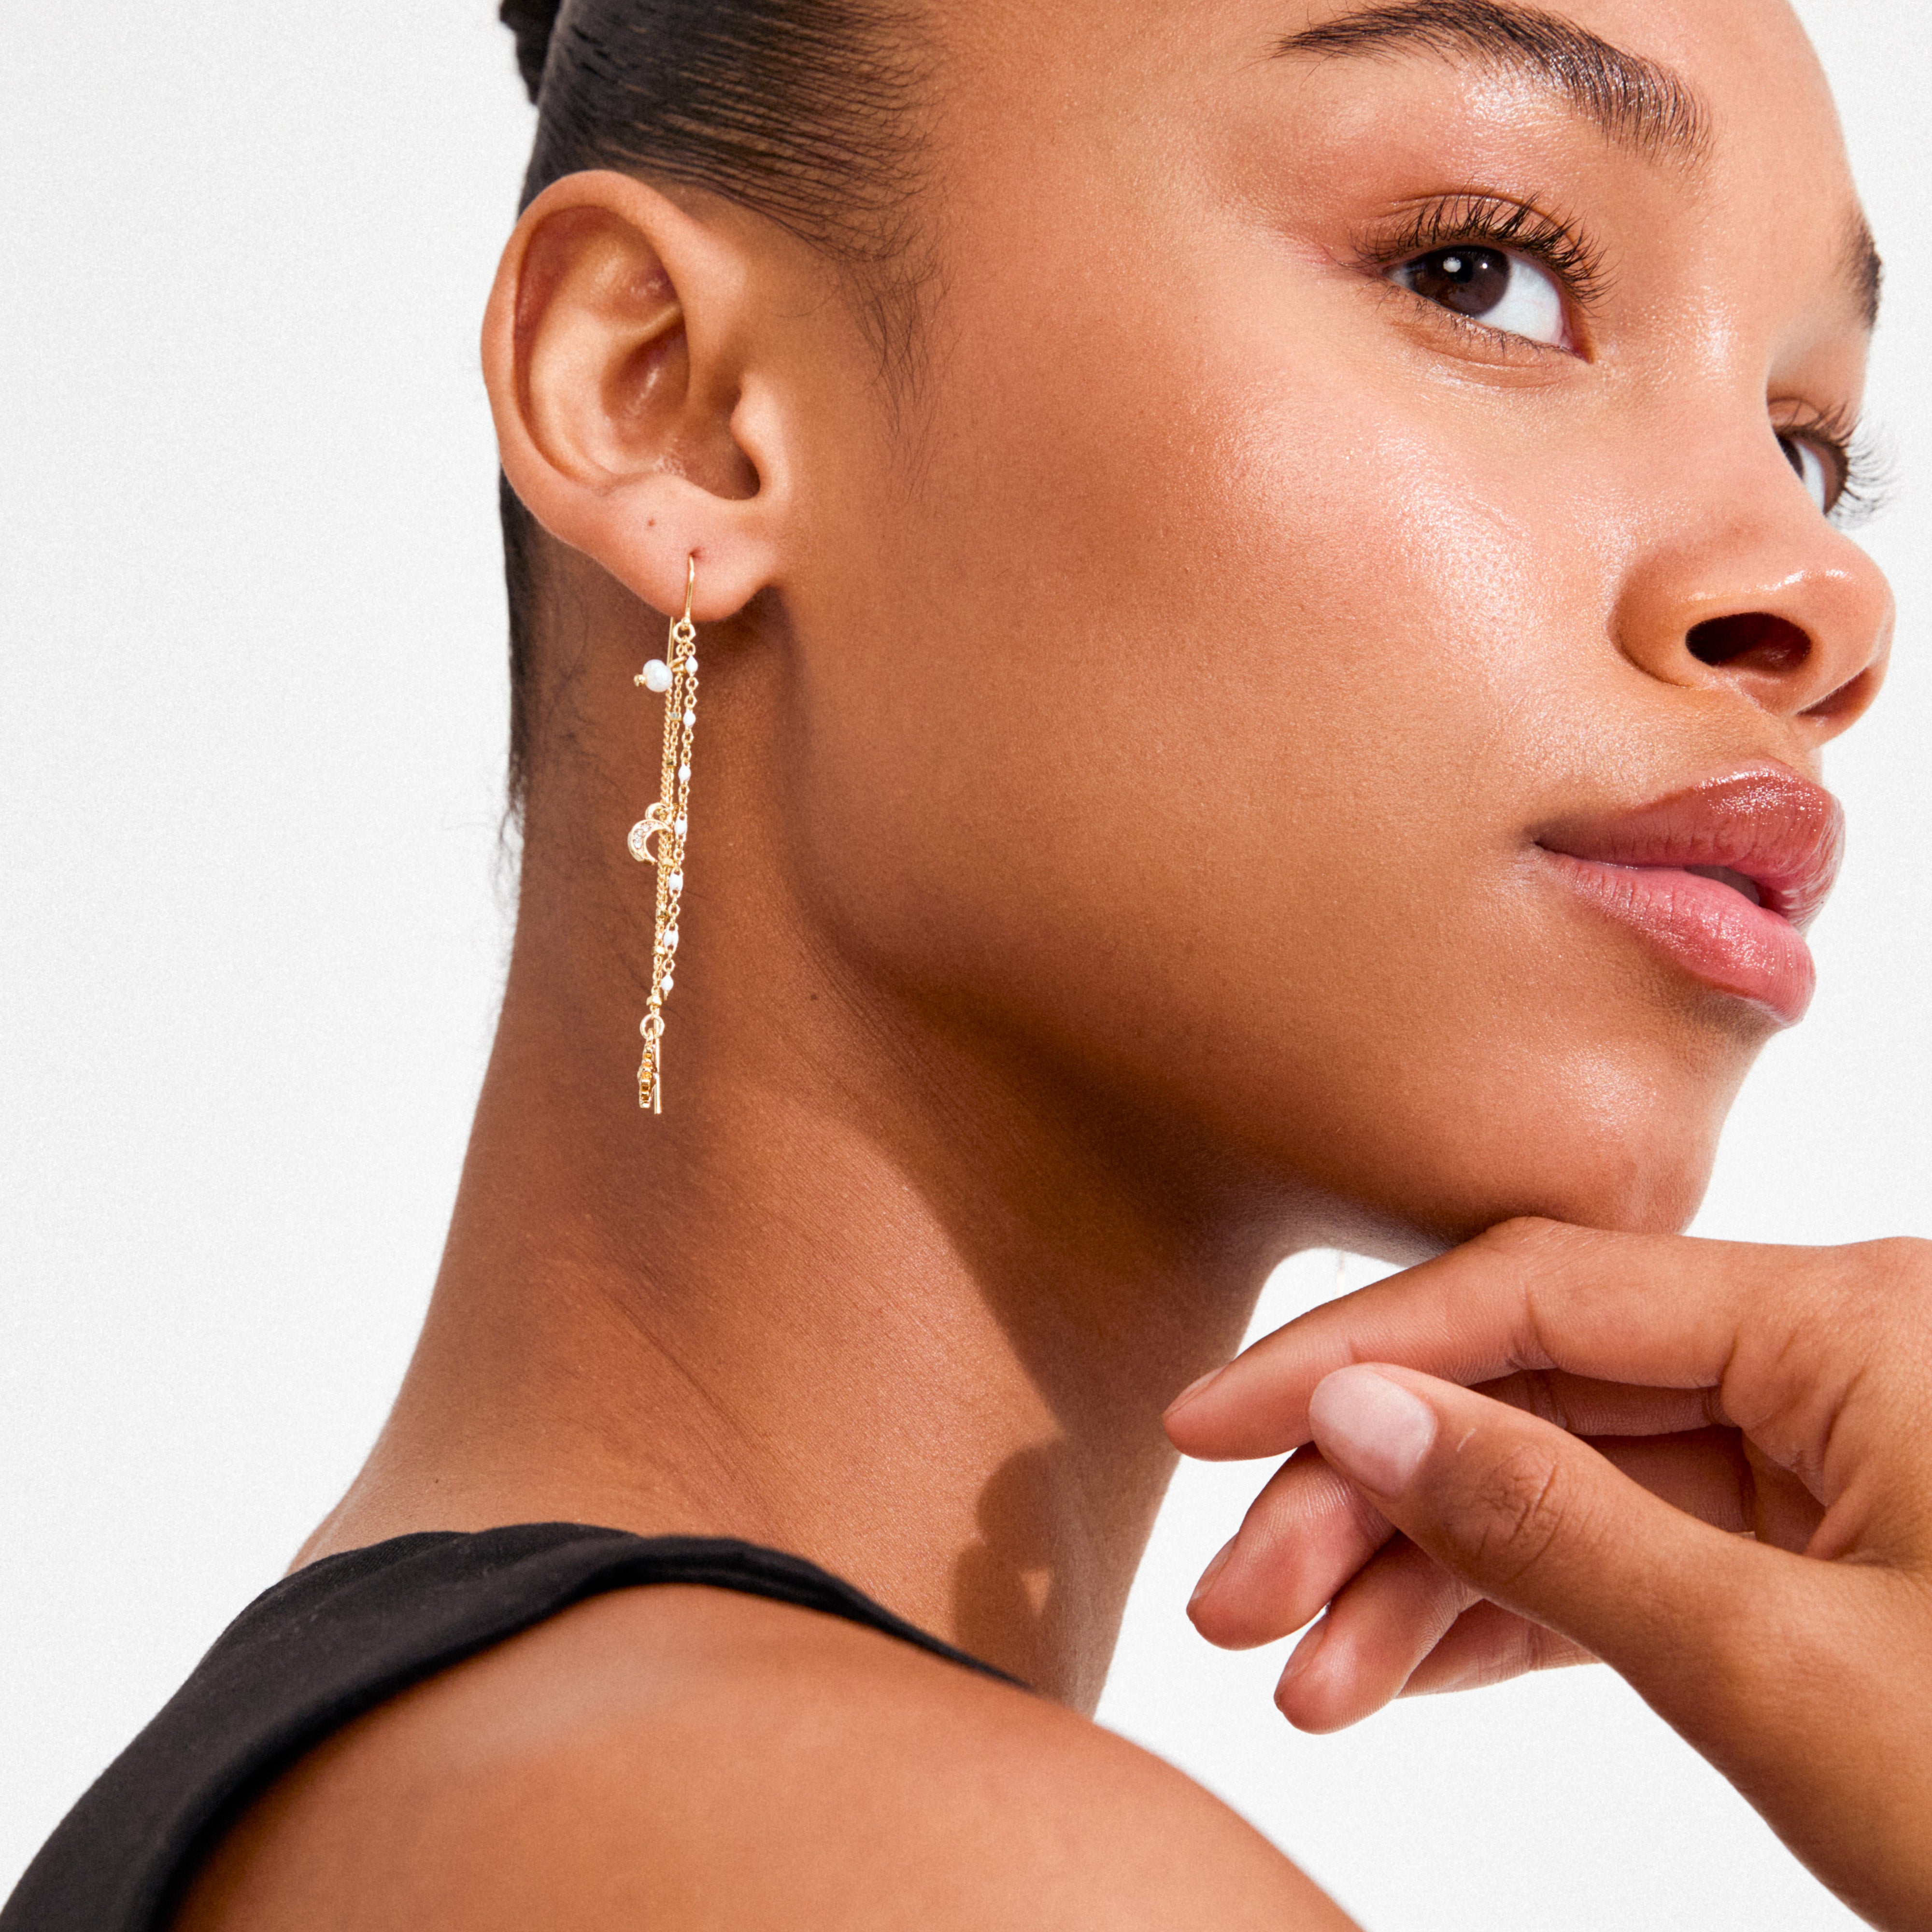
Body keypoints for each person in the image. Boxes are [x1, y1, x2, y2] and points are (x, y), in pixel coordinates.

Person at [3, 0, 1923, 1925]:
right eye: (1479, 271)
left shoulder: (395, 1814)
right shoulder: (924, 1874)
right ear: (669, 397)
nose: (1821, 595)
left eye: (1806, 441)